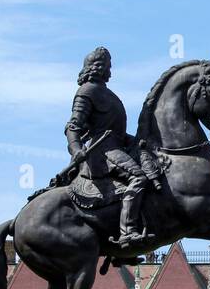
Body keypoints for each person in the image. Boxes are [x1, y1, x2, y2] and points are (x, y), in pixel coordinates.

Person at [63, 46, 162, 246]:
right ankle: (128, 232)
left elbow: (117, 132)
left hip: (117, 147)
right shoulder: (87, 91)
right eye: (106, 65)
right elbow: (73, 126)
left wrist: (136, 142)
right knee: (139, 177)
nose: (109, 69)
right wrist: (76, 149)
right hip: (102, 153)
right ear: (96, 67)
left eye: (109, 65)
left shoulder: (109, 95)